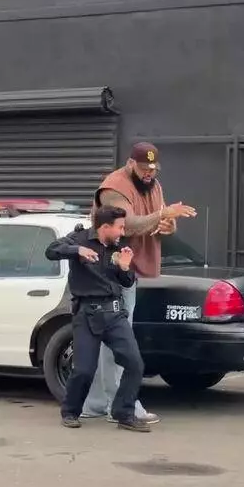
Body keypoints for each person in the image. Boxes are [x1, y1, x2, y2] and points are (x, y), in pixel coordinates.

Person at [81, 141, 197, 424]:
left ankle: (95, 404)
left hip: (131, 270)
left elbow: (160, 224)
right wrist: (161, 215)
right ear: (131, 163)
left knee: (108, 338)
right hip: (112, 271)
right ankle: (123, 406)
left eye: (154, 169)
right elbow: (128, 224)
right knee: (118, 340)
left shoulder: (153, 186)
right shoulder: (114, 187)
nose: (149, 173)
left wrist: (168, 225)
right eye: (144, 169)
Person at [45, 206, 151, 433]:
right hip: (87, 313)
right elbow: (52, 250)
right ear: (105, 226)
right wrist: (77, 250)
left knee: (135, 363)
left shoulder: (120, 247)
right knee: (84, 369)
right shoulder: (80, 238)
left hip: (114, 314)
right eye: (120, 227)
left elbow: (127, 282)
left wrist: (125, 268)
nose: (122, 232)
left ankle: (124, 413)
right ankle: (71, 412)